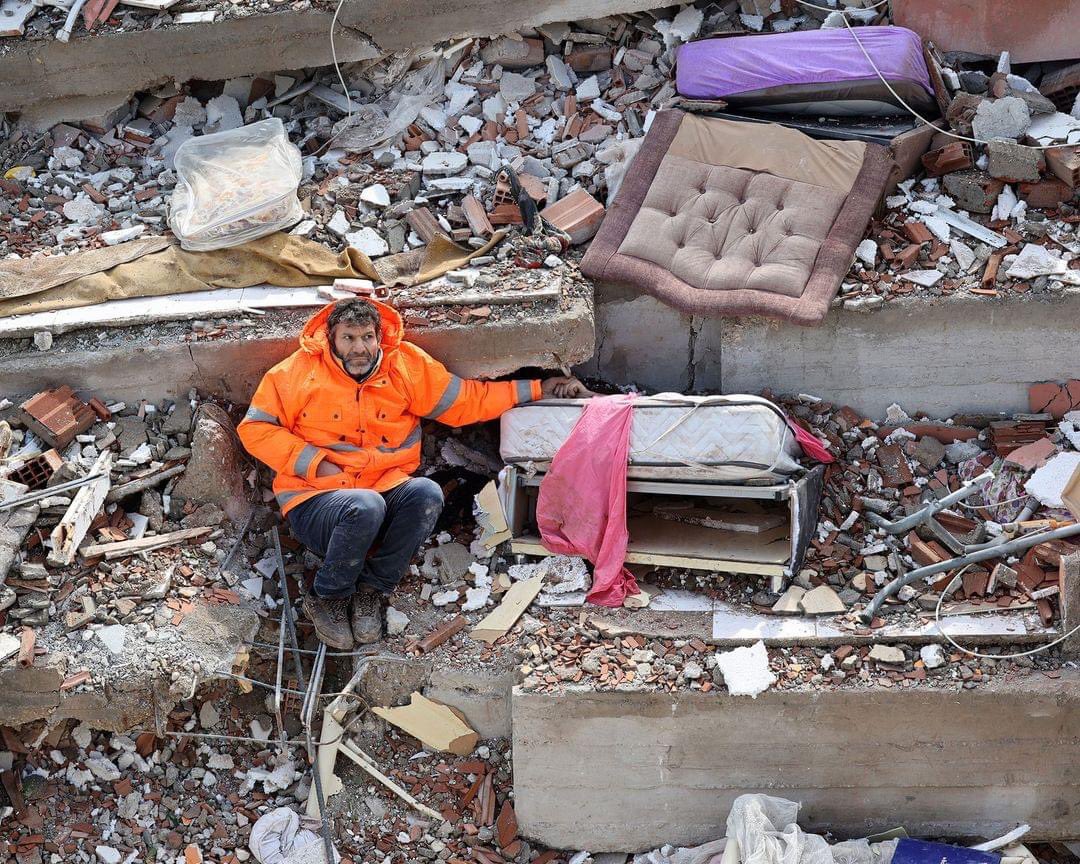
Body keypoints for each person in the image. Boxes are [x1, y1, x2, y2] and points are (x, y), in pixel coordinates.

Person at [238, 298, 588, 650]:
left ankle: (371, 591)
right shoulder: (296, 372)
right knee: (366, 506)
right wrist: (316, 463)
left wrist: (541, 388)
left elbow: (467, 401)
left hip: (382, 494)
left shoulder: (404, 365)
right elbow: (255, 429)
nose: (360, 348)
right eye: (349, 338)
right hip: (316, 502)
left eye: (367, 337)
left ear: (379, 338)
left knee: (426, 494)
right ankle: (329, 596)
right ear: (331, 339)